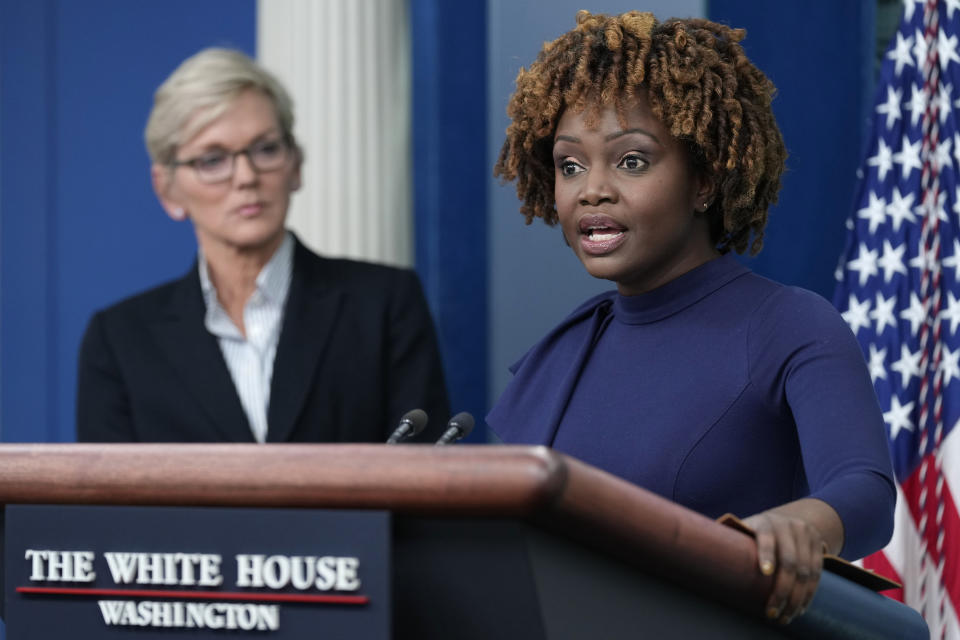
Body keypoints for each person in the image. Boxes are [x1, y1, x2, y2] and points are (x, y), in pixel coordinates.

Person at [488, 11, 895, 624]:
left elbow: (865, 493)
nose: (591, 190)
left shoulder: (788, 324)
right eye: (570, 166)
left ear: (703, 180)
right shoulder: (565, 351)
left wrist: (799, 526)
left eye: (630, 161)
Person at [76, 48, 449, 444]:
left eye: (266, 149)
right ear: (167, 189)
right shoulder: (120, 340)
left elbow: (429, 484)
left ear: (296, 165)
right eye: (213, 159)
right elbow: (109, 503)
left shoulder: (384, 304)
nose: (246, 176)